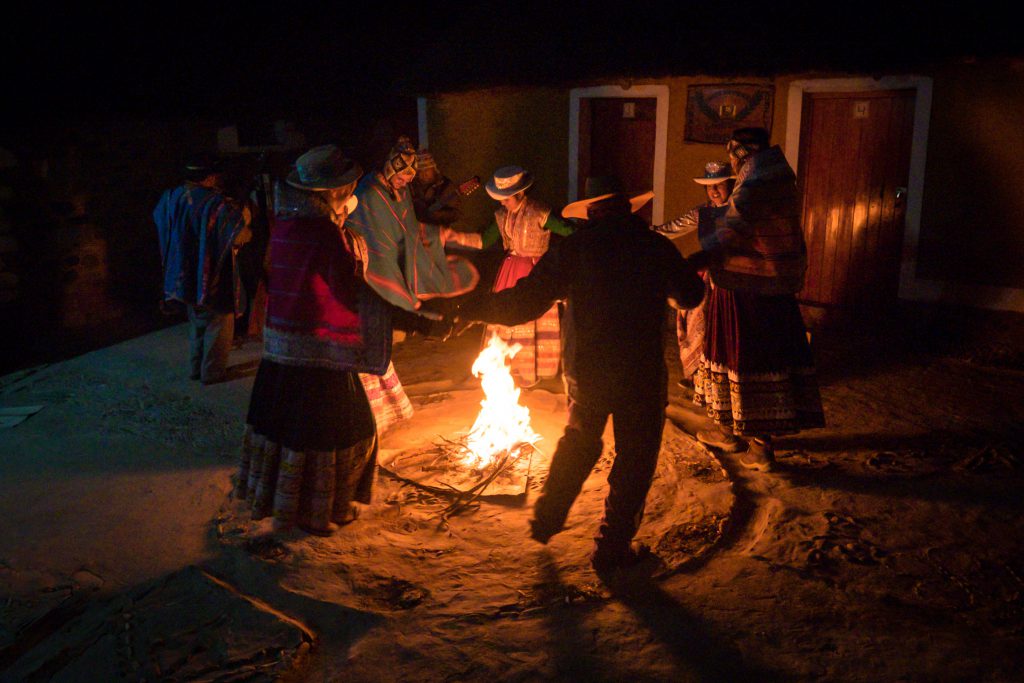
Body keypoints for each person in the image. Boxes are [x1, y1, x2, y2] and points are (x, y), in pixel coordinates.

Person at [452, 177, 704, 573]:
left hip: (587, 369)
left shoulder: (575, 248)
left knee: (580, 440)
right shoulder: (655, 247)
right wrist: (684, 272)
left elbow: (525, 301)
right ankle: (611, 548)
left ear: (590, 213)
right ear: (629, 209)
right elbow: (690, 295)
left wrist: (470, 309)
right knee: (636, 456)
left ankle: (547, 520)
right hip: (639, 369)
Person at [236, 145, 385, 536]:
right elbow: (345, 291)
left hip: (282, 352)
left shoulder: (287, 223)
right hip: (318, 354)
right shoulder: (323, 235)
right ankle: (318, 514)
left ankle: (291, 510)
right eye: (347, 185)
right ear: (332, 191)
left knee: (287, 430)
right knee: (344, 431)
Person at [693, 127, 825, 470]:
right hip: (767, 281)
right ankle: (731, 429)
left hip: (748, 284)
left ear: (739, 153)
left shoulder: (756, 179)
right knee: (754, 353)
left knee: (750, 357)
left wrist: (699, 256)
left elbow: (734, 225)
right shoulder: (777, 173)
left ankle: (759, 446)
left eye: (732, 157)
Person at [345, 137, 478, 433]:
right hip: (362, 273)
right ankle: (357, 414)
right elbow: (375, 234)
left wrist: (435, 240)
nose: (405, 182)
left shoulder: (400, 192)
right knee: (361, 340)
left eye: (410, 178)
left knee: (376, 341)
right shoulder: (368, 194)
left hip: (391, 266)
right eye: (401, 176)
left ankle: (374, 413)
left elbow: (407, 228)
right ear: (389, 170)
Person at [154, 153, 251, 384]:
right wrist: (245, 218)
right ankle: (212, 372)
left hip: (182, 276)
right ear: (207, 178)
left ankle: (195, 368)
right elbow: (237, 236)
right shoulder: (216, 204)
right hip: (211, 276)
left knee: (197, 321)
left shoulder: (170, 197)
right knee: (219, 324)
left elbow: (161, 222)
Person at [478, 165, 575, 388]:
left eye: (506, 198)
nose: (502, 203)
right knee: (505, 317)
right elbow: (484, 239)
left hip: (536, 271)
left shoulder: (540, 212)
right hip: (509, 271)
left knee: (532, 316)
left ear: (520, 193)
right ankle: (506, 369)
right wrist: (449, 237)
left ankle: (530, 370)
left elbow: (568, 231)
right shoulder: (502, 216)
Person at [654, 161, 735, 391]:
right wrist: (643, 233)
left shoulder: (738, 211)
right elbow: (671, 229)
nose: (714, 191)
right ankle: (695, 374)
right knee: (689, 317)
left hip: (731, 274)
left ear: (729, 185)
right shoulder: (702, 212)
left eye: (719, 185)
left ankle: (722, 377)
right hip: (706, 272)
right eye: (710, 187)